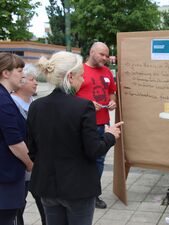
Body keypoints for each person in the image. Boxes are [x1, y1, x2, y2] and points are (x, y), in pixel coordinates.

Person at [27, 51, 123, 225]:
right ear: (70, 76)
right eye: (81, 76)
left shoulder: (36, 106)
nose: (83, 80)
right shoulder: (83, 106)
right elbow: (93, 150)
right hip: (78, 188)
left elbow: (32, 151)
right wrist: (110, 135)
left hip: (47, 186)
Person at [76, 42, 117, 209]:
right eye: (102, 54)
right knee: (81, 158)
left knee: (99, 160)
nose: (105, 59)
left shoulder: (107, 71)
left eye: (107, 56)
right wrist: (87, 104)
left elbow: (111, 92)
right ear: (91, 52)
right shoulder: (78, 70)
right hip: (81, 123)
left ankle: (93, 194)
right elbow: (69, 95)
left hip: (102, 123)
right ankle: (79, 191)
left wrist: (113, 101)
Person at [0, 53, 33, 225]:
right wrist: (30, 164)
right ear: (6, 73)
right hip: (6, 178)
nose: (23, 75)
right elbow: (14, 142)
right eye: (19, 70)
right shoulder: (4, 101)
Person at [11, 64, 46, 225]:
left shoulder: (35, 103)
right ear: (21, 81)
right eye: (32, 79)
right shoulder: (11, 104)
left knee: (44, 204)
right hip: (21, 164)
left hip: (37, 164)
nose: (36, 82)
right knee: (18, 206)